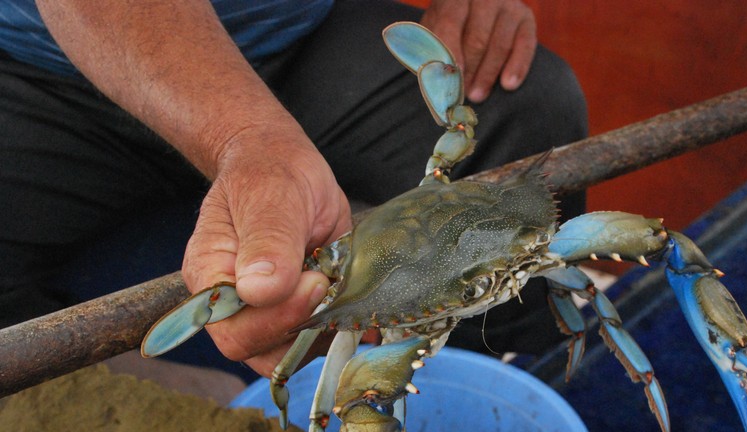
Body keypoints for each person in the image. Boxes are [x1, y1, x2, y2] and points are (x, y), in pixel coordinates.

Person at [0, 0, 587, 382]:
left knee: (527, 106)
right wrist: (244, 136)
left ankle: (508, 390)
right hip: (38, 71)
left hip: (294, 41)